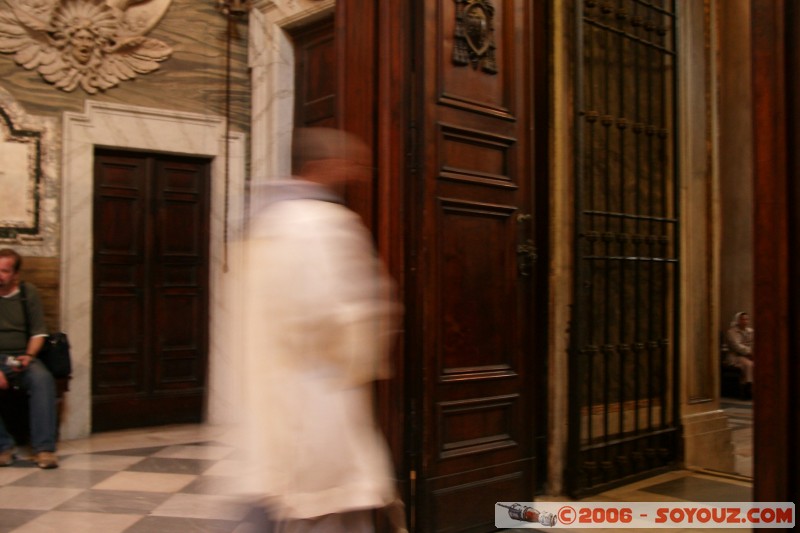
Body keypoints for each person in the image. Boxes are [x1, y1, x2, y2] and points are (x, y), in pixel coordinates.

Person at [237, 128, 405, 532]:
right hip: (319, 394)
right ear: (322, 166)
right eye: (351, 164)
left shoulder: (263, 220)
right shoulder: (322, 223)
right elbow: (342, 316)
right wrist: (371, 342)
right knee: (327, 505)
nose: (357, 173)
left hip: (269, 394)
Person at [0, 248, 59, 469]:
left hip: (21, 356)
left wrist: (29, 355)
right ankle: (3, 447)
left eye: (4, 271)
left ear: (15, 274)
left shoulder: (27, 293)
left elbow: (38, 333)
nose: (0, 275)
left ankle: (44, 449)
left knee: (42, 380)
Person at [725, 311, 754, 400]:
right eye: (742, 319)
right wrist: (749, 352)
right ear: (737, 320)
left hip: (750, 355)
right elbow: (736, 346)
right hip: (735, 356)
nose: (745, 321)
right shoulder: (731, 332)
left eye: (746, 319)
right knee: (748, 364)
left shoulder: (751, 331)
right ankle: (747, 388)